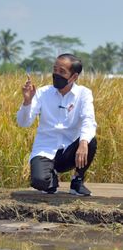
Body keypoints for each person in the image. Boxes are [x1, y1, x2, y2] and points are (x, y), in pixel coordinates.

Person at [17, 54, 97, 196]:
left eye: (62, 71)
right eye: (55, 70)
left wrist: (83, 142)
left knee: (90, 140)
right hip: (45, 150)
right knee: (40, 182)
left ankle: (77, 181)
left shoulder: (83, 94)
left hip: (69, 151)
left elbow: (88, 120)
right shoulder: (42, 93)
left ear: (73, 77)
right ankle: (51, 176)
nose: (56, 74)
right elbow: (23, 123)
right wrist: (27, 101)